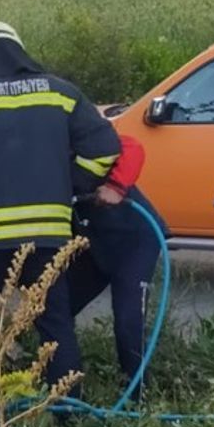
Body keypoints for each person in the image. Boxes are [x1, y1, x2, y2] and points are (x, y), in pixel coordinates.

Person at [0, 21, 122, 389]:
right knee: (55, 323)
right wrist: (70, 183)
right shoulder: (61, 93)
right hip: (48, 236)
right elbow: (105, 149)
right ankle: (68, 406)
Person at [70, 134, 168, 399]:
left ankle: (137, 398)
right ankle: (65, 385)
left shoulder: (76, 132)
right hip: (94, 243)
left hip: (134, 240)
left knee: (127, 321)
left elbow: (132, 147)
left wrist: (115, 186)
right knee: (57, 308)